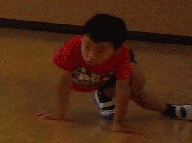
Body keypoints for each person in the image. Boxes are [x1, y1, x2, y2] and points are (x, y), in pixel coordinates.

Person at [36, 13, 189, 132]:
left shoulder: (122, 54)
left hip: (105, 79)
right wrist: (60, 113)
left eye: (101, 50)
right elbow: (63, 82)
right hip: (82, 81)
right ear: (82, 38)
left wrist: (118, 122)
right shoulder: (72, 47)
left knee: (137, 80)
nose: (91, 56)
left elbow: (123, 89)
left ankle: (171, 110)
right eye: (87, 46)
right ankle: (103, 95)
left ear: (116, 50)